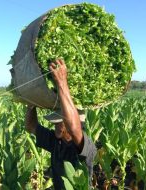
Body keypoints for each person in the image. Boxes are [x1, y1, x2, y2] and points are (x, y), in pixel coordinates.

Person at [25, 59, 97, 190]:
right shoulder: (55, 141)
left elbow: (74, 129)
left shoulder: (86, 147)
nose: (55, 125)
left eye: (60, 122)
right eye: (55, 122)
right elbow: (31, 126)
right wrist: (31, 101)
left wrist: (62, 82)